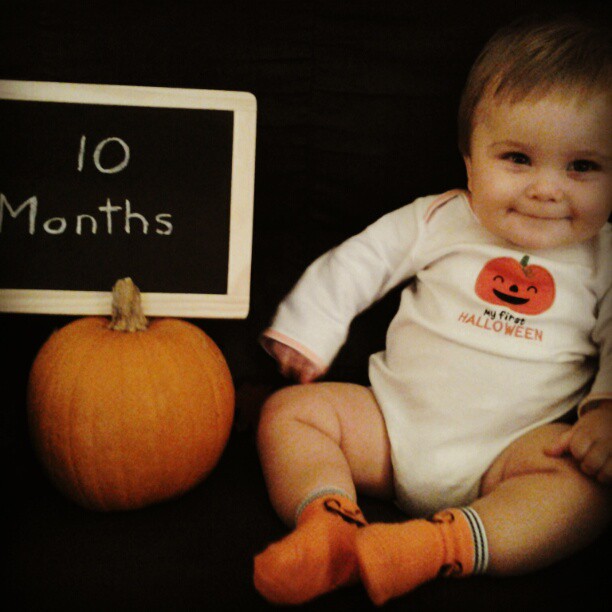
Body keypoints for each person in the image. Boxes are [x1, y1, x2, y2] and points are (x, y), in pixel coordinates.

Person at [253, 14, 612, 606]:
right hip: (391, 429)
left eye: (583, 167)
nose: (547, 189)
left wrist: (604, 411)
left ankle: (433, 548)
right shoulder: (442, 217)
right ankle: (327, 523)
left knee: (585, 489)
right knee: (291, 413)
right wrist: (310, 327)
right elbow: (363, 259)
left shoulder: (601, 256)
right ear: (470, 161)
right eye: (517, 159)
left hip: (513, 453)